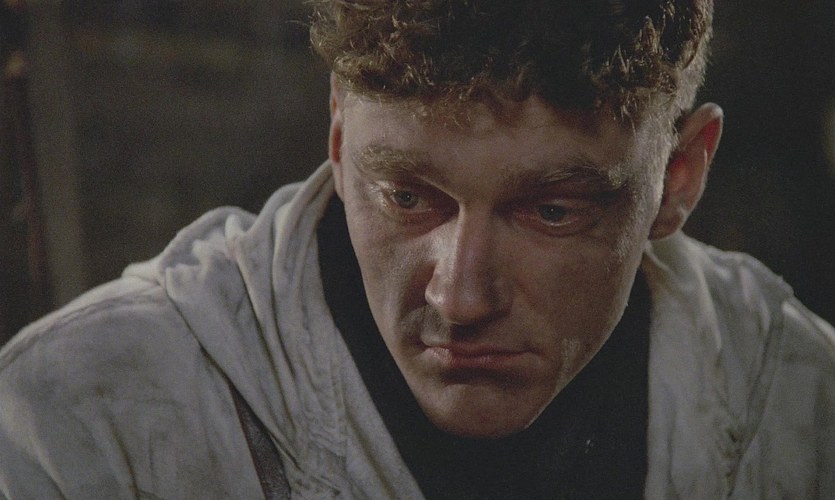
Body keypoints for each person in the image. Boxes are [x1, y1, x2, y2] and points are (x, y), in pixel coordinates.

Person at [1, 0, 833, 498]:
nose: (460, 299)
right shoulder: (81, 421)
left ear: (678, 177)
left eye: (550, 210)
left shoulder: (802, 409)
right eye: (405, 196)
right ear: (338, 136)